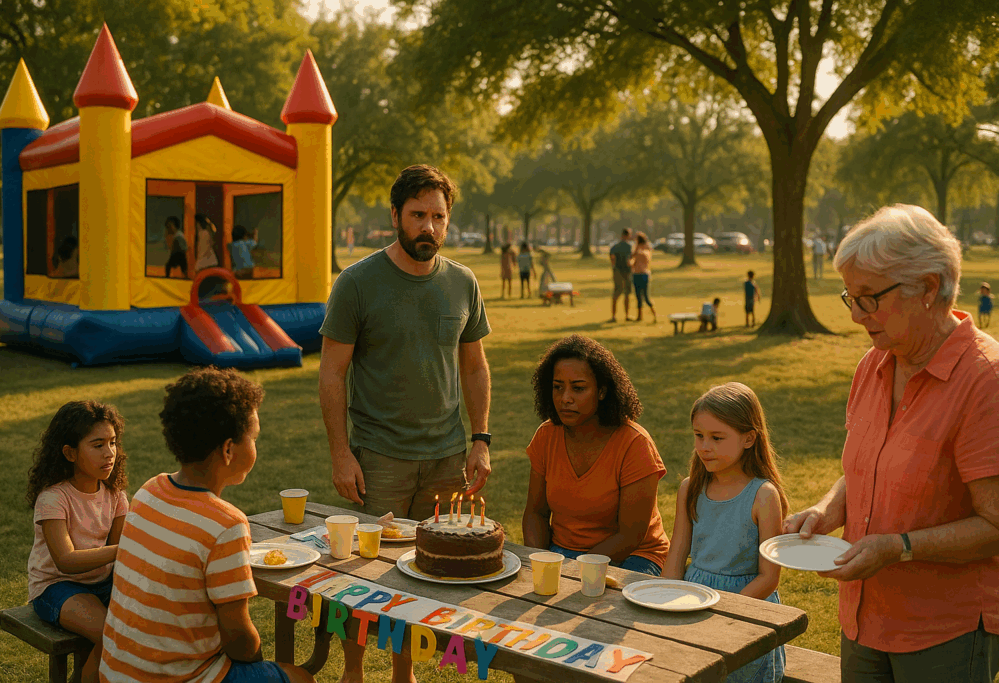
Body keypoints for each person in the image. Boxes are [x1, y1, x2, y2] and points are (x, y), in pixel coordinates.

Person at [783, 204, 999, 683]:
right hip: (862, 618)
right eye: (850, 298)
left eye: (869, 298)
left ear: (926, 287)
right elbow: (868, 470)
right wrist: (825, 511)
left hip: (944, 631)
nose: (857, 315)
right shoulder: (874, 365)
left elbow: (995, 523)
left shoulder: (985, 380)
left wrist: (898, 547)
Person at [319, 164, 492, 683]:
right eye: (418, 215)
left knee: (425, 573)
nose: (429, 228)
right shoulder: (357, 283)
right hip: (378, 455)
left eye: (438, 217)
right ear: (395, 215)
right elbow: (332, 374)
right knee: (363, 574)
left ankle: (403, 675)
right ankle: (353, 673)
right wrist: (341, 453)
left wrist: (480, 439)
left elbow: (475, 365)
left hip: (446, 456)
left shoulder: (463, 282)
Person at [100, 367, 314, 683]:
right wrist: (256, 661)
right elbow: (239, 639)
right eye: (254, 437)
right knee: (301, 678)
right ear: (229, 450)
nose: (256, 444)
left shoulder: (150, 490)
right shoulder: (226, 524)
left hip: (117, 673)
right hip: (176, 678)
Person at [662, 382, 788, 683]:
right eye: (699, 436)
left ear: (748, 438)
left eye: (717, 438)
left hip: (746, 610)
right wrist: (662, 603)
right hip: (693, 601)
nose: (704, 446)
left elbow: (769, 577)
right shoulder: (690, 488)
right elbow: (676, 556)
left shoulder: (763, 496)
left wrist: (725, 612)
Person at [523, 335, 670, 575]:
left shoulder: (635, 444)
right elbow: (535, 513)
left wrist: (576, 571)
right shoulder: (546, 436)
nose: (565, 398)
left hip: (633, 555)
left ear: (601, 391)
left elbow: (630, 535)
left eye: (578, 388)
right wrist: (538, 561)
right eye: (557, 387)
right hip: (561, 552)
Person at [26, 401, 129, 683]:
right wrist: (125, 550)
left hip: (102, 583)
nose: (109, 453)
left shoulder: (116, 496)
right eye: (98, 445)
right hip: (56, 586)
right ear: (70, 453)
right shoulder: (53, 499)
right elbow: (66, 561)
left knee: (148, 626)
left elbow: (118, 562)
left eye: (113, 442)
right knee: (113, 634)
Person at [630, 232, 658, 323]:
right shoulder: (646, 249)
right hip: (641, 274)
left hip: (640, 274)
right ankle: (640, 316)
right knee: (640, 297)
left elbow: (634, 259)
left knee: (644, 297)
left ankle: (652, 315)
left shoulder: (642, 250)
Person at [609, 228, 634, 322]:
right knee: (627, 294)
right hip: (627, 272)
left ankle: (613, 316)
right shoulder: (630, 246)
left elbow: (612, 257)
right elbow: (631, 259)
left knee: (616, 293)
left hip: (617, 272)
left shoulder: (615, 246)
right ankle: (627, 316)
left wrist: (614, 266)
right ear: (627, 235)